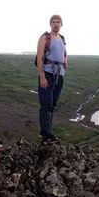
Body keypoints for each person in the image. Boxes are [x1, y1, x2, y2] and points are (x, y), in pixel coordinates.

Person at [36, 14, 68, 144]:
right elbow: (39, 58)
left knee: (53, 104)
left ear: (61, 24)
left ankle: (48, 132)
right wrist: (42, 76)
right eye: (54, 22)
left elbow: (65, 53)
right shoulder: (45, 37)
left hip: (59, 74)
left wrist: (65, 62)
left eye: (58, 22)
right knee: (46, 104)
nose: (56, 24)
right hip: (48, 72)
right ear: (50, 24)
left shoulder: (62, 38)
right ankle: (46, 134)